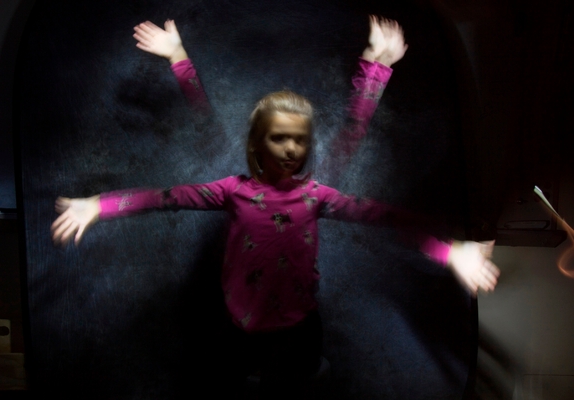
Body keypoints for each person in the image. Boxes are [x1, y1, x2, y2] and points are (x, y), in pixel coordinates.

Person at [51, 16, 499, 399]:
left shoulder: (316, 194)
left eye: (299, 140)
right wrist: (99, 205)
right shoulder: (232, 190)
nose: (290, 148)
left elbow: (376, 190)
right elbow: (164, 195)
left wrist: (450, 251)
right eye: (279, 137)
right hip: (237, 327)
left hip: (297, 330)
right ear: (257, 143)